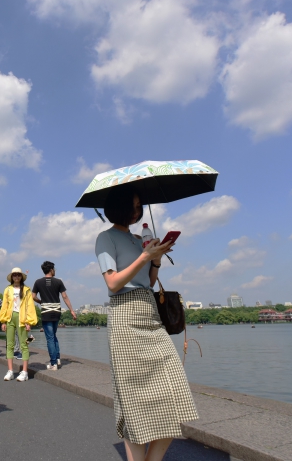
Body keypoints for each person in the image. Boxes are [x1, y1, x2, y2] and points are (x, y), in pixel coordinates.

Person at [95, 186, 196, 461]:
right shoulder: (105, 239)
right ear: (120, 207)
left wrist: (157, 259)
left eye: (140, 206)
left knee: (174, 392)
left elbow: (149, 283)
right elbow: (114, 283)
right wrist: (144, 257)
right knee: (135, 401)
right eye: (134, 205)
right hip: (125, 318)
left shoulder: (140, 238)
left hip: (149, 314)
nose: (138, 211)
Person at [33, 261, 77, 370]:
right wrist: (71, 310)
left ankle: (53, 363)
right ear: (51, 269)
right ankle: (57, 359)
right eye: (54, 269)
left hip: (46, 312)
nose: (55, 271)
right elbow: (65, 296)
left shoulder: (38, 282)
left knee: (50, 338)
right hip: (56, 312)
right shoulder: (58, 282)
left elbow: (33, 296)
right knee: (54, 335)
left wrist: (40, 302)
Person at [0, 268, 37, 382]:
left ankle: (24, 372)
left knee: (24, 344)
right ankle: (10, 370)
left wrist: (29, 321)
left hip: (22, 318)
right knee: (9, 345)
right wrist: (3, 321)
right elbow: (4, 305)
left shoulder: (26, 290)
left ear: (21, 277)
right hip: (10, 317)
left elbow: (30, 306)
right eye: (14, 275)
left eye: (18, 275)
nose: (16, 277)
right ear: (12, 277)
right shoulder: (7, 290)